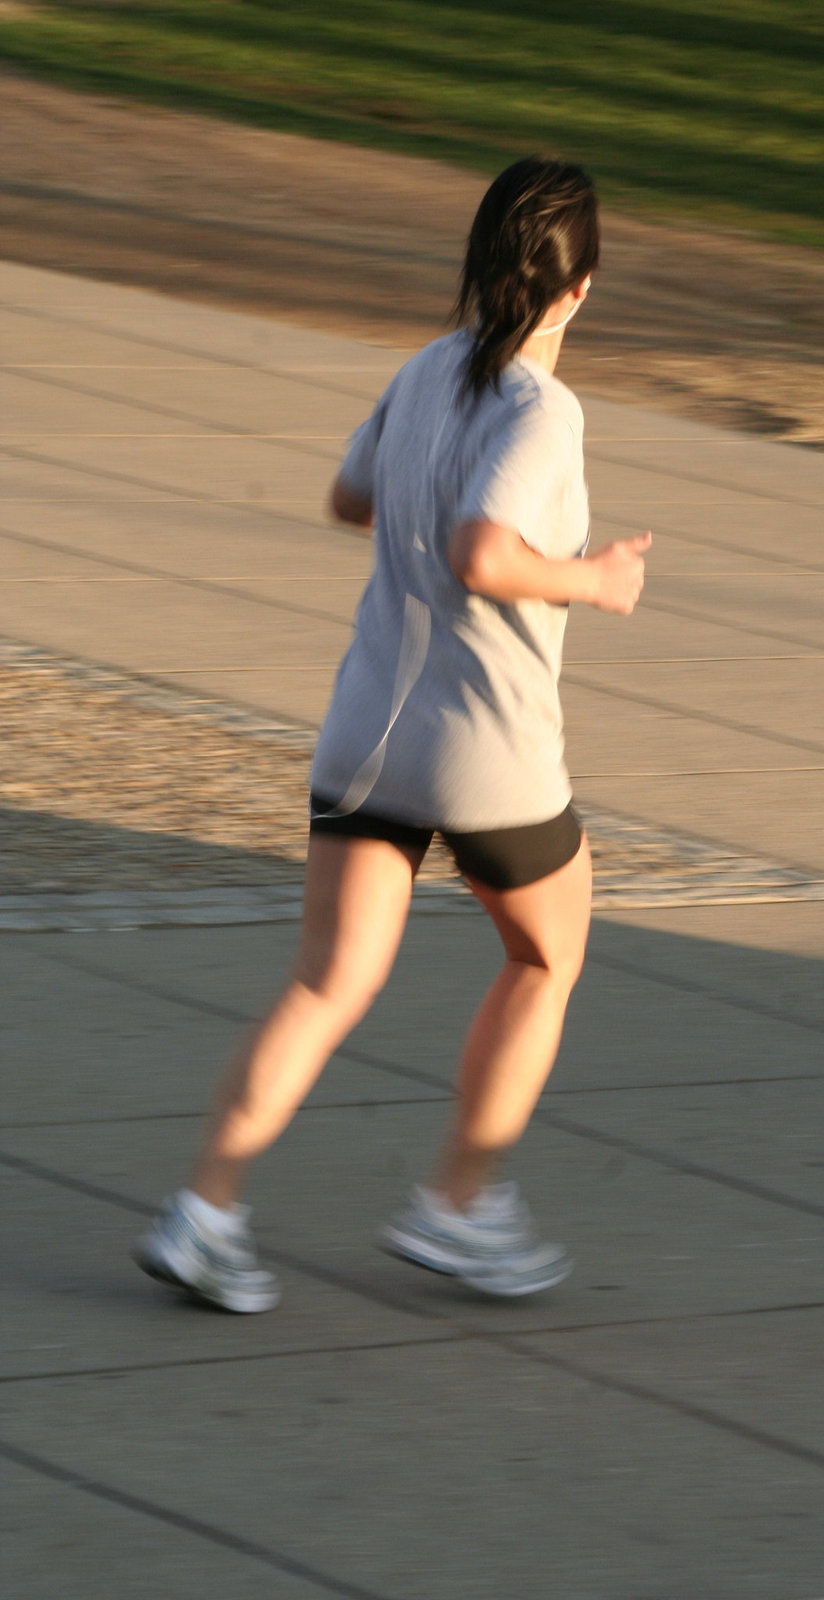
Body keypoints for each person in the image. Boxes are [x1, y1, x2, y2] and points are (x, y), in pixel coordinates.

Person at [134, 156, 650, 1312]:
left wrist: (416, 495)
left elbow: (348, 496)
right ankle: (459, 1204)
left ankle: (205, 1212)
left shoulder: (421, 372)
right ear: (579, 292)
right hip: (483, 753)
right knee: (545, 952)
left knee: (325, 985)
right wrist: (595, 580)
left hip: (367, 734)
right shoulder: (542, 407)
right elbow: (484, 550)